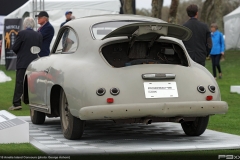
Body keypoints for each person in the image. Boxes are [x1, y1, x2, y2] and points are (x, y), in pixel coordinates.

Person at [9, 17, 42, 110]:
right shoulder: (38, 35)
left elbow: (15, 47)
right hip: (34, 63)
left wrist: (21, 54)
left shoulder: (21, 33)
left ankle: (17, 103)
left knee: (20, 83)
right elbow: (39, 48)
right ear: (33, 25)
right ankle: (37, 102)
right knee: (34, 83)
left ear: (25, 24)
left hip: (23, 62)